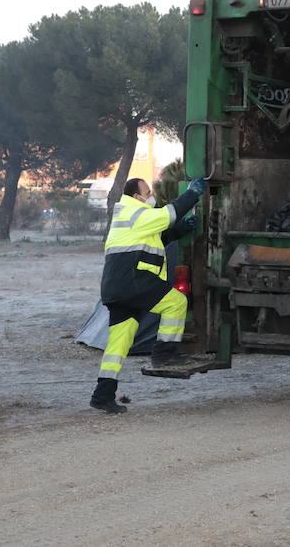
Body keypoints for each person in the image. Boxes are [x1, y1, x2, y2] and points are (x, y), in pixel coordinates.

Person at [89, 175, 208, 414]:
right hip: (134, 281)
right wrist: (193, 193)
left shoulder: (131, 217)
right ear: (137, 196)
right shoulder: (135, 212)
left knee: (118, 345)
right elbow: (168, 215)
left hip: (116, 288)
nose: (151, 194)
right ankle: (164, 355)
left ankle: (102, 395)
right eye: (148, 191)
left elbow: (157, 237)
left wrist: (178, 232)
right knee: (176, 302)